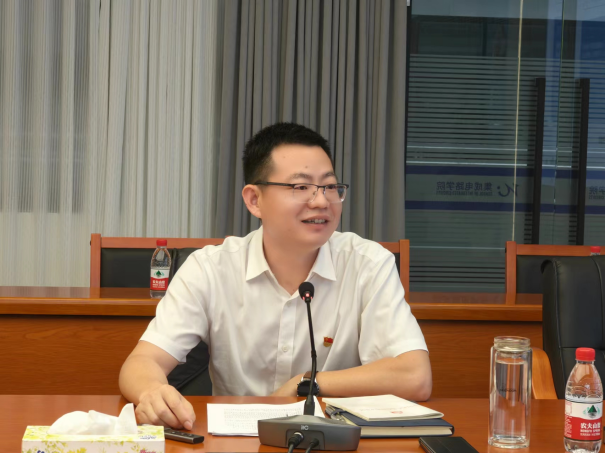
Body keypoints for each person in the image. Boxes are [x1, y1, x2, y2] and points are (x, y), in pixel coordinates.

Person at [119, 122, 432, 430]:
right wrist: (152, 392)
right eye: (301, 187)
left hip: (330, 443)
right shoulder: (209, 269)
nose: (321, 201)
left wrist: (306, 383)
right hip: (236, 443)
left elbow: (415, 376)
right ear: (254, 200)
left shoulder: (368, 264)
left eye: (329, 186)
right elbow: (142, 362)